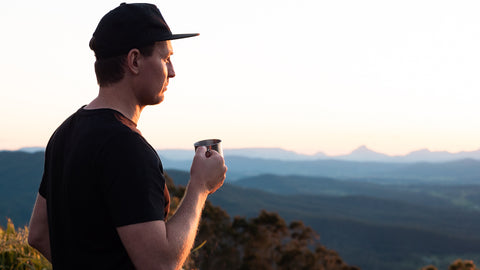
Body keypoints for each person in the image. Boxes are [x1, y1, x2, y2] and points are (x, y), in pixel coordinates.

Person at [27, 3, 227, 270]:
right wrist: (199, 187)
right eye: (165, 58)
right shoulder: (126, 148)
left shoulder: (65, 132)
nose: (173, 71)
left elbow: (38, 234)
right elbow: (161, 264)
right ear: (134, 61)